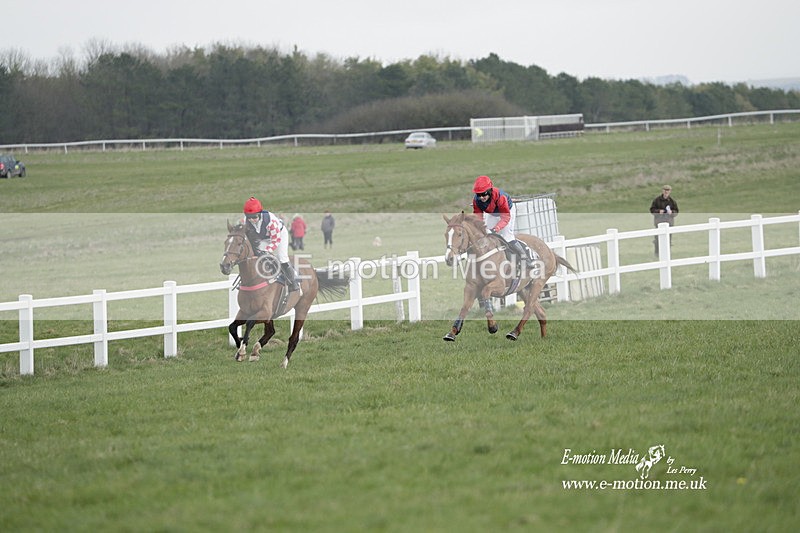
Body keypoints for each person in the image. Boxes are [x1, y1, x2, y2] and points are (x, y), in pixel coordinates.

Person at [471, 175, 533, 264]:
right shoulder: (476, 200)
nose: (481, 197)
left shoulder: (500, 197)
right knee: (487, 236)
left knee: (507, 236)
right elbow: (478, 216)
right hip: (492, 213)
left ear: (490, 190)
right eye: (478, 194)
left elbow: (505, 217)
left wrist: (497, 228)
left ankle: (526, 259)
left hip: (507, 212)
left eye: (483, 194)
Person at [242, 196, 300, 291]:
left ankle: (294, 281)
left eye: (254, 217)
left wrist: (267, 250)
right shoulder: (246, 221)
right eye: (249, 217)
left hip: (279, 235)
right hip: (264, 237)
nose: (252, 220)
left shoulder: (271, 221)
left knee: (282, 258)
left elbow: (275, 240)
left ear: (260, 214)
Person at [649, 184, 679, 256]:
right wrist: (659, 211)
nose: (666, 192)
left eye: (668, 190)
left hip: (669, 223)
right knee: (657, 239)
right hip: (659, 222)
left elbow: (676, 211)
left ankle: (667, 254)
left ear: (670, 191)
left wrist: (671, 213)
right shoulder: (656, 200)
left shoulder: (672, 201)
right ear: (662, 191)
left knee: (668, 239)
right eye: (665, 190)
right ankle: (657, 253)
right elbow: (652, 210)